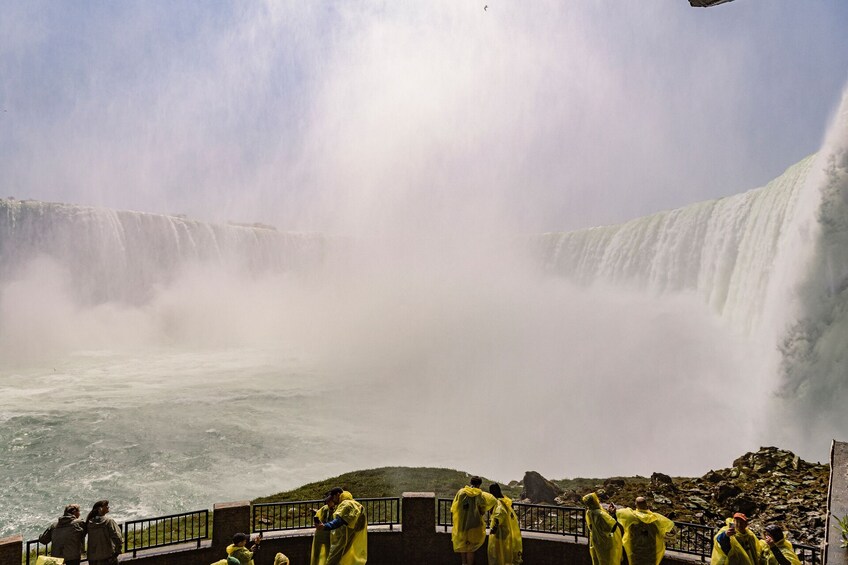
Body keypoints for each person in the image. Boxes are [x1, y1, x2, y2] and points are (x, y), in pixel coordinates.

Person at [614, 496, 675, 565]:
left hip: (636, 550)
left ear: (636, 505)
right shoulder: (655, 518)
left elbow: (618, 513)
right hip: (651, 550)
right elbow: (667, 528)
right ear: (646, 504)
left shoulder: (631, 517)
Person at [451, 476, 497, 565]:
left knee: (462, 545)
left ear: (470, 482)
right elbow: (482, 506)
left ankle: (464, 563)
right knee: (470, 548)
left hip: (461, 524)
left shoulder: (461, 492)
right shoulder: (478, 494)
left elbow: (455, 507)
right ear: (479, 484)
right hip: (474, 525)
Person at [316, 487, 368, 565]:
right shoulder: (352, 503)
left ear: (337, 495)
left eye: (332, 497)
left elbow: (339, 520)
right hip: (349, 535)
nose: (332, 500)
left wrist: (325, 526)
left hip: (344, 538)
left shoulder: (346, 504)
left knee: (332, 561)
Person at [582, 492, 623, 565]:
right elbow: (612, 528)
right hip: (606, 542)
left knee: (598, 560)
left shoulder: (589, 512)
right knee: (608, 561)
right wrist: (613, 514)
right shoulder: (600, 514)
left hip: (595, 541)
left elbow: (592, 527)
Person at [487, 483, 523, 565]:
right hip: (507, 530)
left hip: (500, 531)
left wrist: (494, 528)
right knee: (506, 552)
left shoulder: (498, 503)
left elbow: (498, 515)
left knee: (498, 553)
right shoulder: (506, 501)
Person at [85, 500, 123, 565]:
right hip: (108, 556)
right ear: (100, 508)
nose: (108, 507)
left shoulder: (89, 522)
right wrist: (117, 552)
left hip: (93, 558)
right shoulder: (108, 521)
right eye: (106, 506)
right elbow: (118, 538)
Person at [311, 493, 337, 565]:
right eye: (327, 501)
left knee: (328, 554)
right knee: (316, 554)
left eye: (329, 501)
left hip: (328, 536)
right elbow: (318, 515)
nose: (327, 503)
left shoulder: (336, 510)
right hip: (319, 534)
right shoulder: (324, 509)